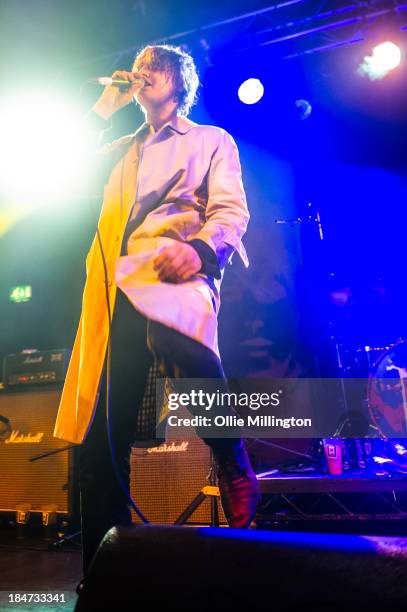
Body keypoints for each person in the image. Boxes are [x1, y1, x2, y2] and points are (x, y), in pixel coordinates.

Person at [52, 44, 259, 587]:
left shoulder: (212, 141)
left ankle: (231, 457)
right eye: (139, 63)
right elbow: (58, 168)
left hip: (177, 274)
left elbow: (231, 210)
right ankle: (103, 569)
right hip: (116, 290)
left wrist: (202, 251)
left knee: (175, 339)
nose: (144, 69)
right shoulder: (118, 147)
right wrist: (103, 108)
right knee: (103, 438)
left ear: (180, 82)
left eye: (157, 64)